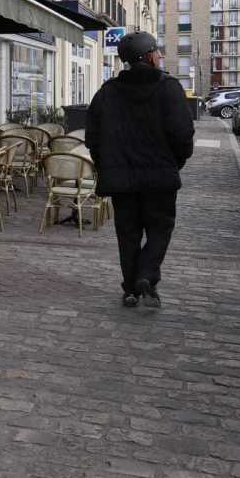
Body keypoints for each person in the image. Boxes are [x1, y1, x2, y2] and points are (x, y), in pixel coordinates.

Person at [85, 32, 194, 308]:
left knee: (128, 235)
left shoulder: (108, 92)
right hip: (160, 179)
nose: (159, 56)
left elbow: (92, 137)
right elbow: (183, 134)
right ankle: (146, 274)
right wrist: (175, 163)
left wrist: (106, 166)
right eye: (156, 52)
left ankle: (131, 289)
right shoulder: (169, 88)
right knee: (160, 229)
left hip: (122, 181)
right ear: (148, 56)